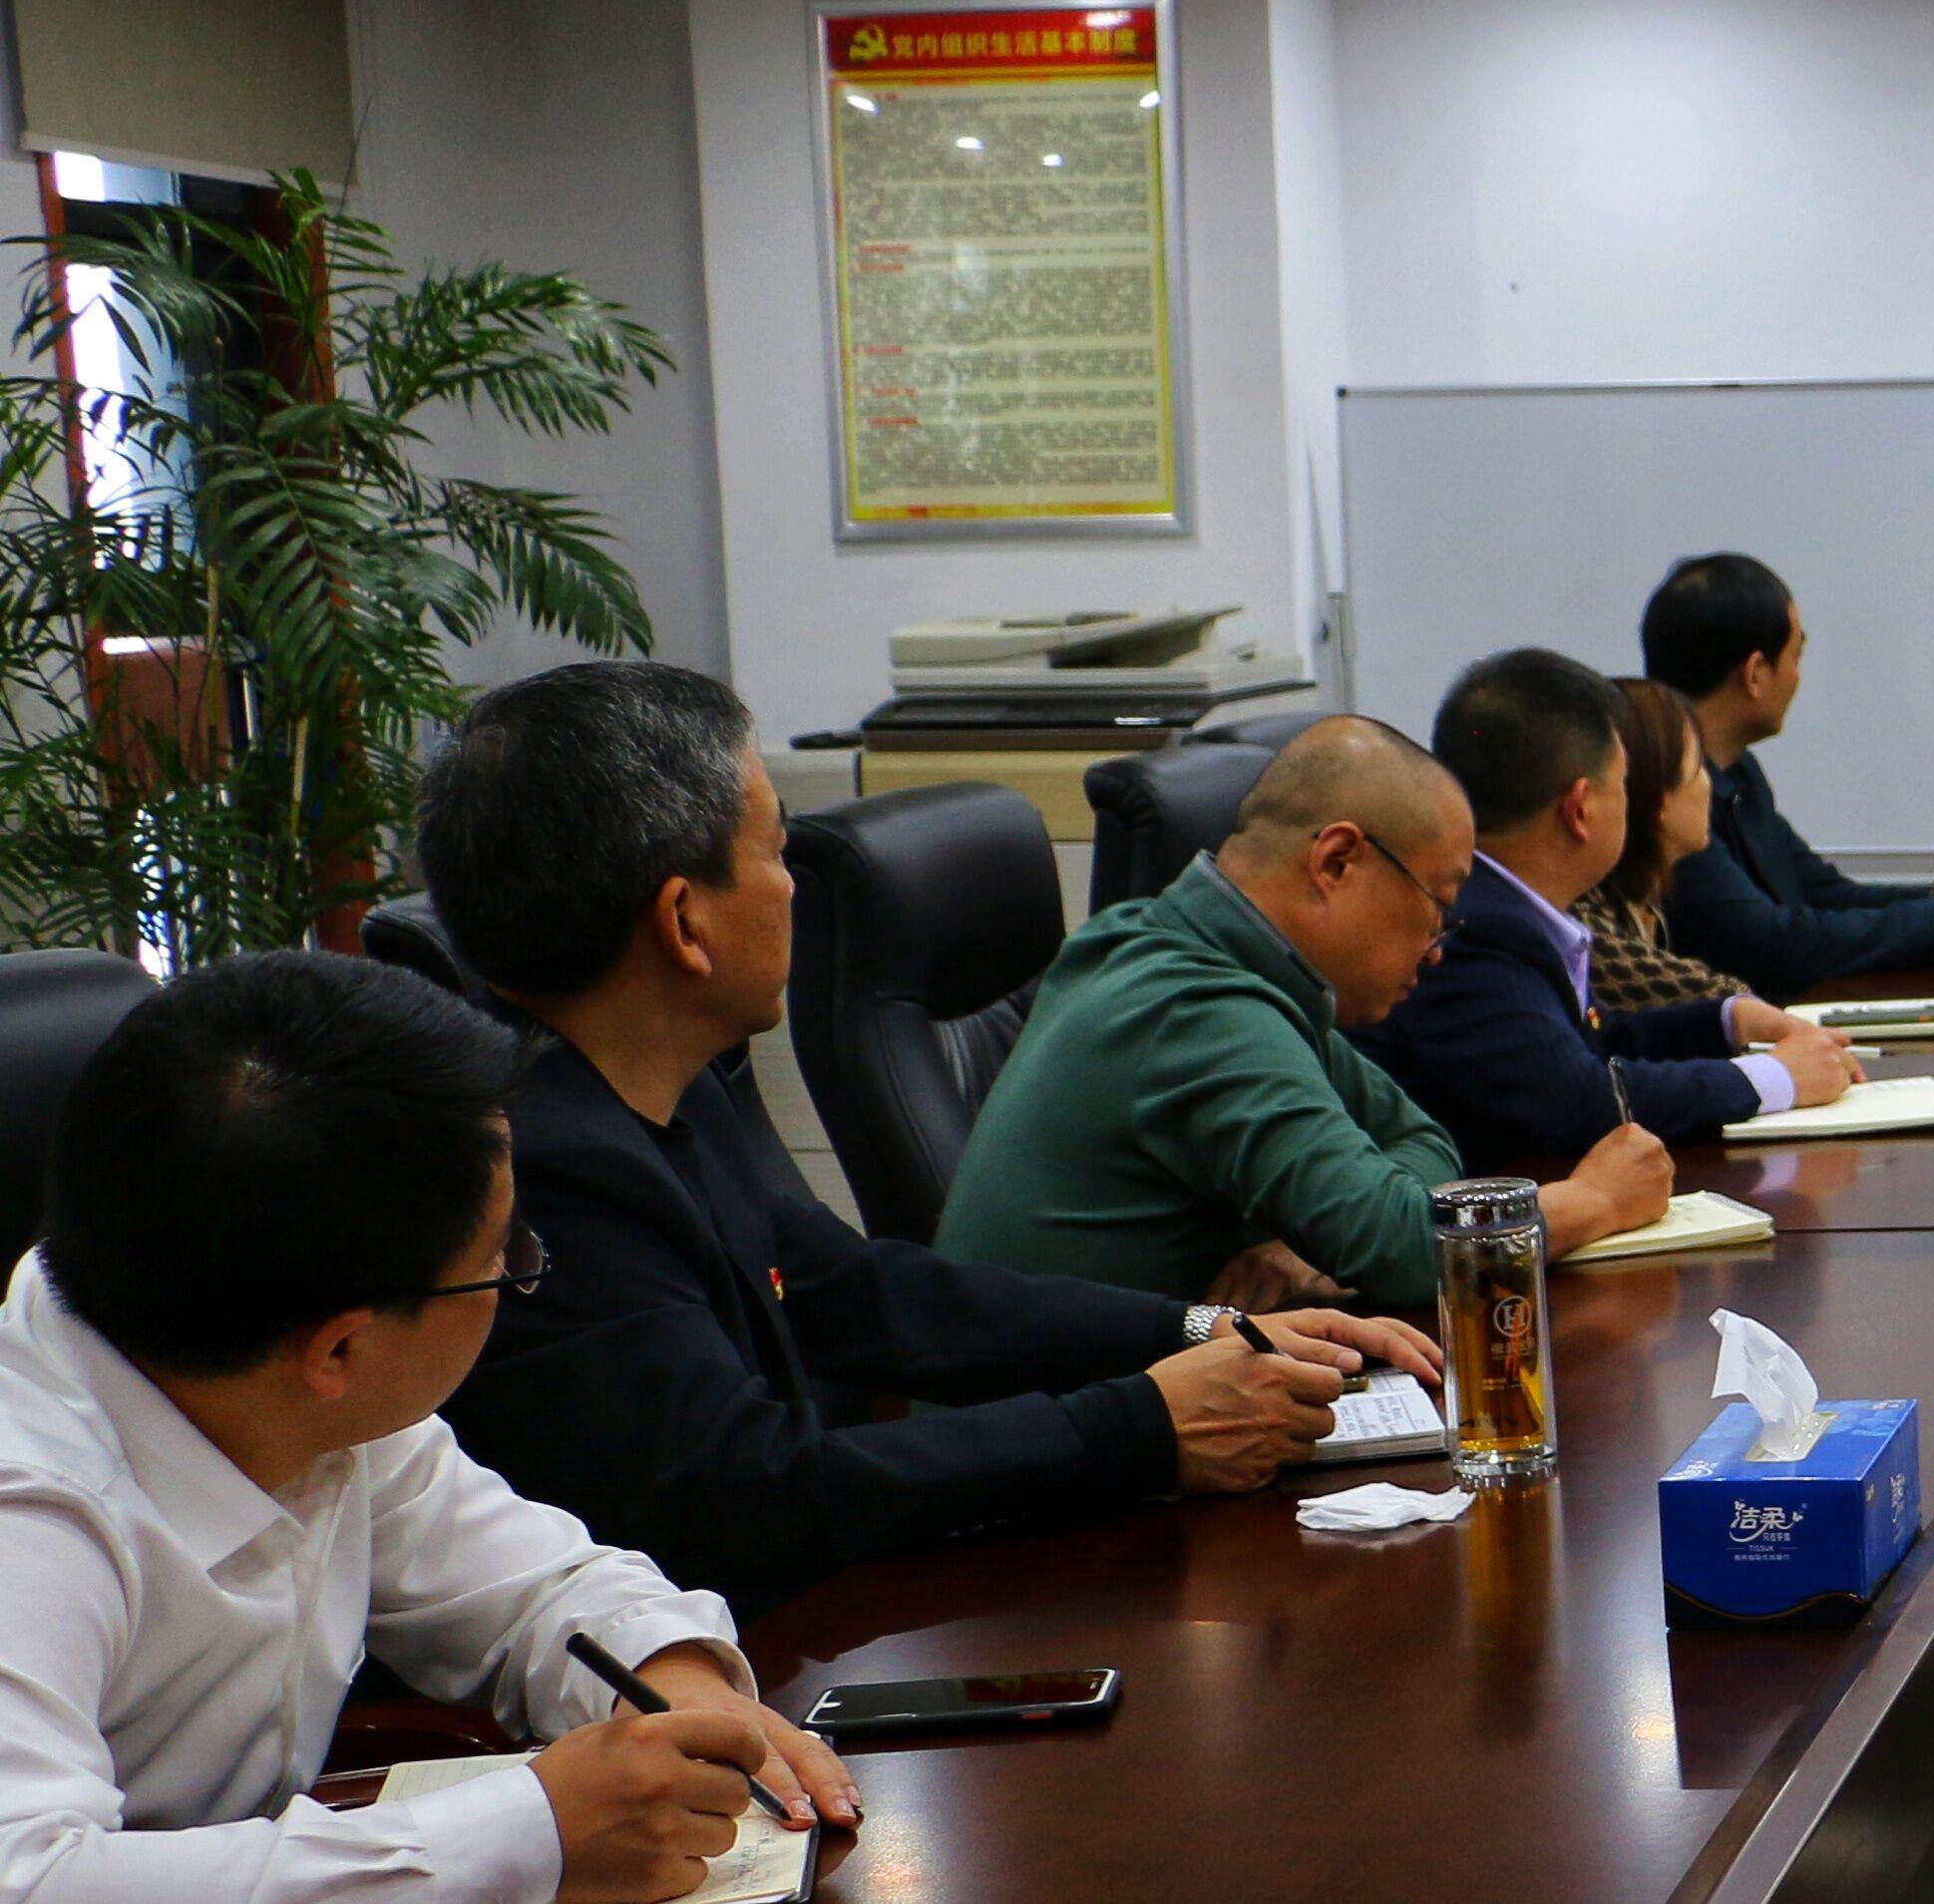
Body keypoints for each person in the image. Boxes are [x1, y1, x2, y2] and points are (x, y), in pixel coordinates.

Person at [412, 662, 1442, 1611]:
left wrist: (1199, 1331)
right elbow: (749, 1494)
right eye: (774, 853)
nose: (791, 888)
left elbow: (864, 1292)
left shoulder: (663, 1096)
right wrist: (1143, 1426)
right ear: (685, 923)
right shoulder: (545, 1173)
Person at [0, 952, 862, 1904]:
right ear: (340, 1349)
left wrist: (676, 1683)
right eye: (507, 1260)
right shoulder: (33, 1511)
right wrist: (530, 1834)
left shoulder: (291, 1388)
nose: (519, 1275)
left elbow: (537, 1590)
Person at [936, 716, 1672, 1307]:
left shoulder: (1193, 952)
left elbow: (1421, 1139)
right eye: (1436, 910)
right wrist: (1593, 1201)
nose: (1435, 950)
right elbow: (1409, 1250)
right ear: (1336, 862)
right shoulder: (1198, 1008)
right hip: (1052, 1436)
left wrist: (1320, 1237)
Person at [1357, 648, 1862, 1174]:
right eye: (1622, 785)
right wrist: (1775, 1079)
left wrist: (1726, 1021)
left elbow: (1594, 1045)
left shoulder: (1503, 905)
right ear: (1580, 810)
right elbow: (1579, 1101)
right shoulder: (1476, 929)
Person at [1643, 552, 1934, 995]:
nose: (1797, 678)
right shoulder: (1667, 797)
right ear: (1755, 675)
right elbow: (1770, 945)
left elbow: (1823, 895)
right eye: (1796, 657)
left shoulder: (1739, 775)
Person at [1590, 676, 1741, 1017]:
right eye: (1698, 767)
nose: (1709, 786)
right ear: (1658, 795)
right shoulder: (1586, 926)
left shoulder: (1641, 901)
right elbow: (1728, 1001)